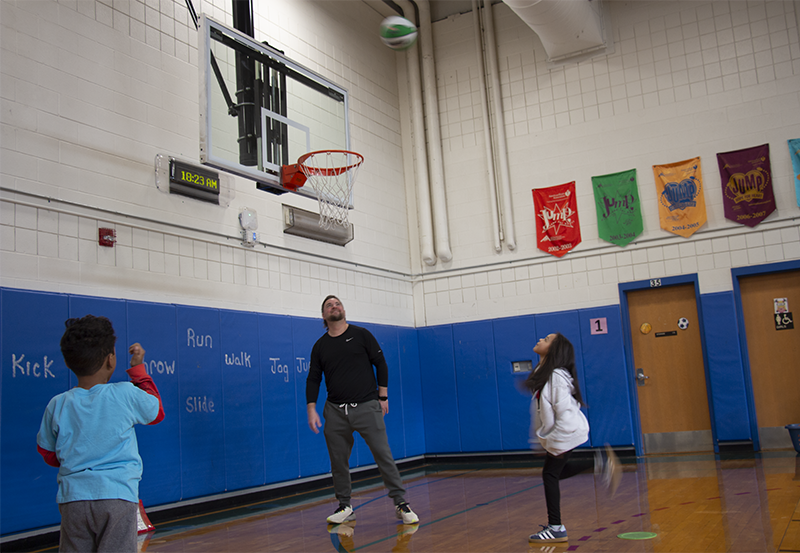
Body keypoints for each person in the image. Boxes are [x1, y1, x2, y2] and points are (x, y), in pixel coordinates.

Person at [36, 315, 165, 553]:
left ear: (68, 362)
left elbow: (47, 452)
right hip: (118, 498)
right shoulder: (125, 393)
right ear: (111, 360)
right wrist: (138, 370)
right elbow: (156, 411)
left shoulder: (57, 404)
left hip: (72, 499)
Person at [306, 295, 419, 525]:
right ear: (324, 316)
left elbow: (381, 363)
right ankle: (344, 506)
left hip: (367, 407)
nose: (334, 306)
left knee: (383, 454)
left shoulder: (361, 335)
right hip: (335, 411)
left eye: (337, 303)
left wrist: (383, 395)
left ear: (343, 310)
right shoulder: (320, 346)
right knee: (338, 461)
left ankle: (401, 503)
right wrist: (311, 408)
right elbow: (313, 379)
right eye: (329, 305)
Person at [525, 332, 620, 544]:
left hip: (565, 433)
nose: (541, 339)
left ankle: (556, 528)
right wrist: (538, 440)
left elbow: (565, 411)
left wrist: (555, 442)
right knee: (554, 473)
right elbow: (538, 410)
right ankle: (599, 462)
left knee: (550, 474)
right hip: (559, 435)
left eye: (547, 339)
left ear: (553, 350)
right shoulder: (544, 372)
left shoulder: (556, 376)